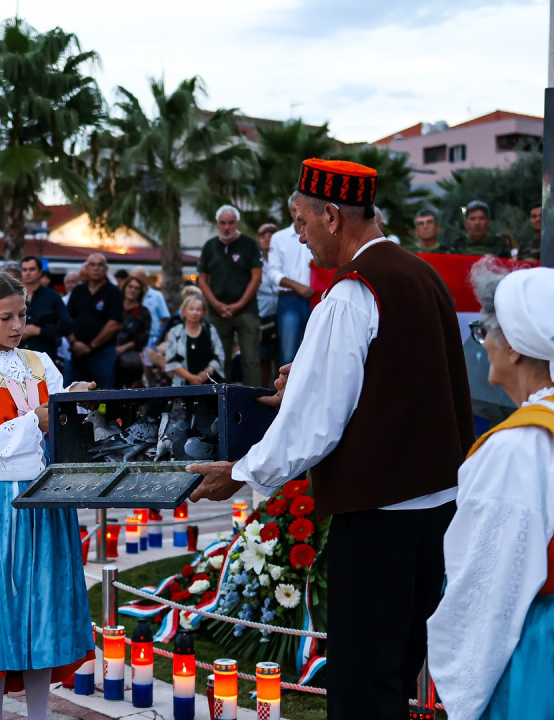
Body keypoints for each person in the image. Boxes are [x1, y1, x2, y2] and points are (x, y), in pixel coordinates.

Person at [188, 159, 474, 720]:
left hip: (378, 518)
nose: (298, 234)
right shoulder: (421, 276)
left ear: (331, 215)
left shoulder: (351, 293)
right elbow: (404, 378)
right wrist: (305, 382)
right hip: (436, 511)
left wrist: (241, 472)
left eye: (300, 220)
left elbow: (316, 424)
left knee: (363, 683)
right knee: (398, 670)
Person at [0, 272, 95, 714]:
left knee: (43, 604)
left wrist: (77, 404)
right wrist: (37, 422)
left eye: (22, 316)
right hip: (0, 502)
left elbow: (64, 424)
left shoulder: (41, 361)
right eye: (5, 317)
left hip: (48, 497)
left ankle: (39, 713)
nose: (15, 326)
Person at [425, 262, 554, 719]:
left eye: (485, 330)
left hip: (537, 648)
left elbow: (489, 584)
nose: (483, 343)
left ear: (515, 347)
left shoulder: (519, 447)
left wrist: (463, 687)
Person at [196, 205, 263, 386]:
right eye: (223, 223)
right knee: (219, 359)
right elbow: (201, 279)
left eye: (231, 223)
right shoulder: (210, 246)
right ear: (218, 223)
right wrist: (216, 304)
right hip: (218, 313)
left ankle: (254, 403)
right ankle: (221, 402)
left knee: (250, 358)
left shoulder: (249, 244)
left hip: (246, 310)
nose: (227, 227)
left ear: (237, 223)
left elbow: (257, 278)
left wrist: (239, 305)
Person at [267, 193, 314, 365]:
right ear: (290, 211)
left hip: (315, 298)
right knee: (288, 352)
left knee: (315, 349)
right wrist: (297, 286)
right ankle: (285, 391)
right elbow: (273, 272)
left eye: (302, 210)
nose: (299, 214)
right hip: (290, 299)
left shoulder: (318, 234)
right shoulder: (279, 238)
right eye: (295, 210)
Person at [66, 253, 123, 389]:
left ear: (106, 269)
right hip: (77, 353)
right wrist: (74, 342)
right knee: (74, 394)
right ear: (87, 268)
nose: (96, 268)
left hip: (103, 353)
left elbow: (113, 324)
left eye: (100, 265)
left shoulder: (113, 292)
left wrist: (91, 346)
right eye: (92, 265)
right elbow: (67, 319)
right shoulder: (78, 291)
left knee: (103, 396)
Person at [163, 293, 224, 386]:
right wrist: (191, 378)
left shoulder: (210, 330)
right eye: (191, 309)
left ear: (203, 313)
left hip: (210, 381)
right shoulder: (175, 332)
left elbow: (219, 356)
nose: (195, 312)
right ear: (184, 311)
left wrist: (206, 373)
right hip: (183, 383)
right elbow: (172, 360)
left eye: (198, 309)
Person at [18, 255, 70, 363]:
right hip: (17, 356)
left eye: (32, 269)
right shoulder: (13, 296)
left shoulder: (52, 297)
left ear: (40, 272)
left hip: (44, 355)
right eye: (24, 270)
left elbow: (66, 326)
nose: (27, 273)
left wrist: (40, 331)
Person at [115, 275, 151, 388]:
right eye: (130, 286)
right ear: (125, 287)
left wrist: (123, 348)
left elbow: (144, 336)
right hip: (110, 352)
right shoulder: (115, 307)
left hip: (131, 356)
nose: (133, 290)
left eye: (136, 288)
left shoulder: (143, 312)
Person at [256, 223, 280, 387]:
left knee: (281, 359)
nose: (267, 238)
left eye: (271, 235)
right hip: (262, 316)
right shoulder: (255, 262)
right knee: (263, 359)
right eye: (263, 235)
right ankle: (263, 395)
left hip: (281, 314)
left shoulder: (282, 258)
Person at [130, 266, 170, 347]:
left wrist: (161, 338)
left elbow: (165, 318)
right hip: (132, 340)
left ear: (146, 279)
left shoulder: (157, 296)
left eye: (140, 277)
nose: (137, 281)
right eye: (134, 278)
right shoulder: (128, 296)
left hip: (152, 340)